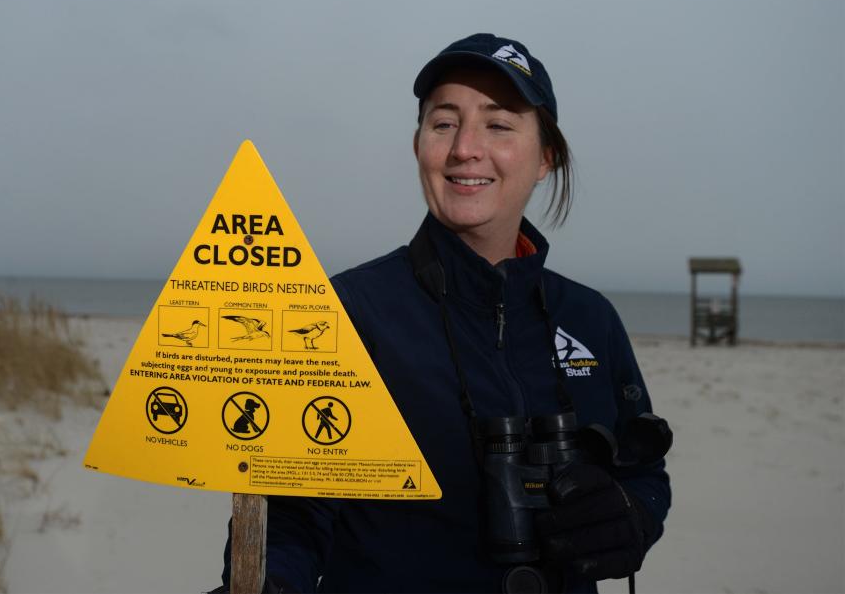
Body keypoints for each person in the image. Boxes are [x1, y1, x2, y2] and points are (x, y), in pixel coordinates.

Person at [219, 33, 671, 593]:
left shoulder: (590, 317)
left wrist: (632, 514)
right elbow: (294, 512)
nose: (465, 149)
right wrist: (270, 583)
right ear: (418, 147)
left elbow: (645, 472)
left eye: (499, 125)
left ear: (545, 159)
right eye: (444, 123)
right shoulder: (347, 311)